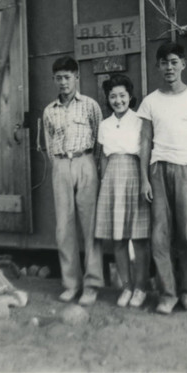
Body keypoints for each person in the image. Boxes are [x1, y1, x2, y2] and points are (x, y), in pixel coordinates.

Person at [137, 41, 187, 315]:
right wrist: (145, 179)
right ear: (157, 67)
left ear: (183, 64)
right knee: (160, 236)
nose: (169, 67)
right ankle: (167, 294)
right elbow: (144, 141)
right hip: (158, 171)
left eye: (173, 62)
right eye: (163, 63)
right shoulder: (150, 101)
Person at [43, 56, 104, 306]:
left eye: (68, 77)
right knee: (64, 227)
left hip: (86, 162)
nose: (63, 82)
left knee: (90, 226)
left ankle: (91, 285)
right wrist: (60, 165)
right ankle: (71, 284)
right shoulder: (49, 110)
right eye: (59, 78)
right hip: (60, 165)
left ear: (77, 77)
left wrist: (90, 164)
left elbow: (100, 138)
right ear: (54, 80)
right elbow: (48, 144)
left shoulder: (90, 106)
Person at [95, 74, 151, 308]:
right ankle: (126, 287)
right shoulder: (105, 125)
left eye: (122, 95)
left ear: (130, 97)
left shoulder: (140, 120)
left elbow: (146, 153)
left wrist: (145, 181)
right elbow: (104, 158)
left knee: (139, 238)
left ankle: (141, 288)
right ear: (108, 99)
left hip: (136, 174)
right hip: (112, 178)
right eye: (113, 96)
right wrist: (102, 184)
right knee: (118, 238)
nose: (118, 100)